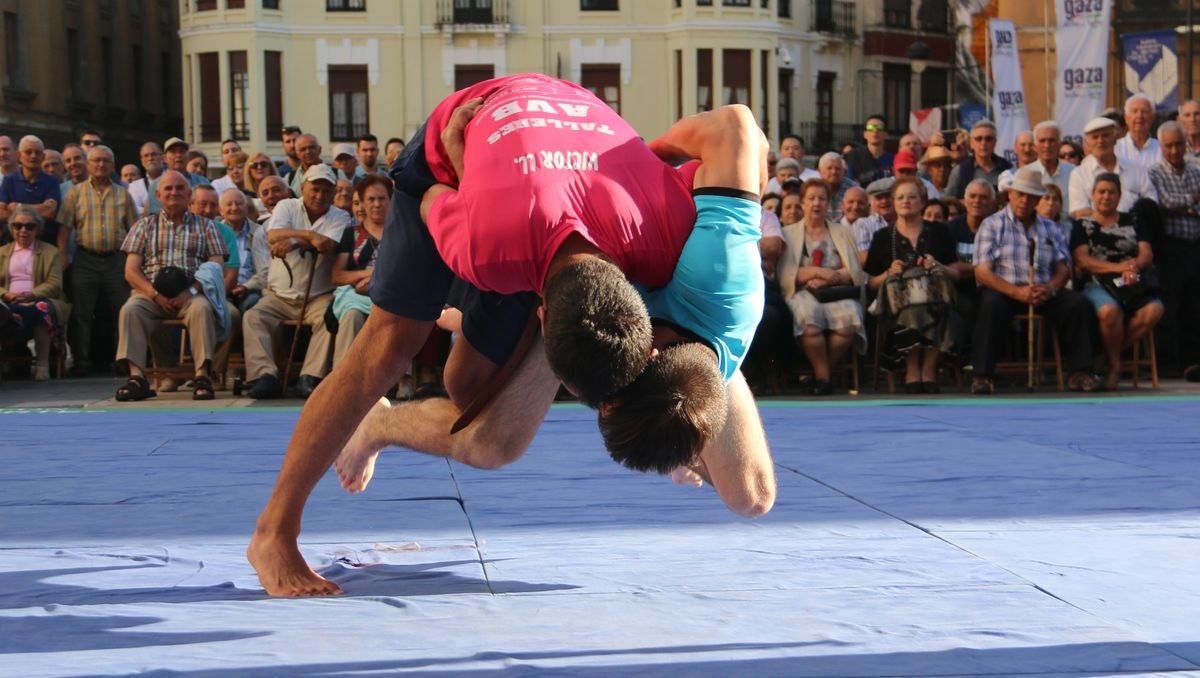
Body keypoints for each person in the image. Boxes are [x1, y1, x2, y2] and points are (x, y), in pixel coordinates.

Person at [248, 78, 774, 597]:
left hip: (579, 230)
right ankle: (275, 529)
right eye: (602, 401)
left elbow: (741, 131)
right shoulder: (494, 242)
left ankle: (381, 423)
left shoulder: (677, 243)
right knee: (398, 350)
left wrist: (634, 156)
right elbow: (434, 196)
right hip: (481, 163)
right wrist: (627, 154)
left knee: (752, 496)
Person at [970, 166, 1099, 395]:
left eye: (1031, 196)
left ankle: (1081, 372)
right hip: (1004, 289)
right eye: (1020, 194)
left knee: (1077, 304)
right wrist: (1015, 292)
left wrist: (1050, 288)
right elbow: (982, 272)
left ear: (1038, 199)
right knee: (990, 305)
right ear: (1010, 194)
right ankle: (983, 375)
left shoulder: (1050, 227)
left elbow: (1063, 268)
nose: (1025, 200)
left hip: (1041, 289)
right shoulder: (992, 224)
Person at [113, 171, 228, 401]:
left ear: (188, 194)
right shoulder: (143, 225)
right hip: (151, 293)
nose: (174, 192)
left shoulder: (207, 226)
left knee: (202, 309)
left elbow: (216, 265)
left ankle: (202, 375)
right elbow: (131, 270)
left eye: (179, 188)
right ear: (158, 195)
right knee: (130, 310)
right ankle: (137, 377)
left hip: (191, 291)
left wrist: (192, 290)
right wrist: (154, 295)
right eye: (168, 189)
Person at [242, 164, 349, 399]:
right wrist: (309, 236)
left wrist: (295, 241)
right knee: (253, 317)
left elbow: (329, 245)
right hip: (279, 295)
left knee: (328, 319)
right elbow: (273, 235)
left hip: (318, 296)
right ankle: (265, 375)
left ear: (333, 193)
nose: (319, 195)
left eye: (325, 190)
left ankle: (310, 376)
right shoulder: (286, 205)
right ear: (302, 188)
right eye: (315, 189)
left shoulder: (340, 216)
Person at [864, 177, 960, 393]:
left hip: (936, 300)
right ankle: (911, 369)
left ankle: (928, 369)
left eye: (911, 197)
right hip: (896, 304)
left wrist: (937, 266)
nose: (905, 201)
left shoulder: (940, 231)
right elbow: (870, 283)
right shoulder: (882, 236)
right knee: (911, 308)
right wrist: (890, 271)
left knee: (937, 305)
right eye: (900, 197)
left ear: (922, 201)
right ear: (893, 202)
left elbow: (956, 273)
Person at [1069, 173, 1163, 391]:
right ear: (1092, 195)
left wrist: (1133, 267)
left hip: (1132, 281)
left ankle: (1104, 357)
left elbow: (1146, 253)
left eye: (1112, 192)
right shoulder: (1082, 225)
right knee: (1110, 312)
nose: (1106, 196)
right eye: (1101, 192)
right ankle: (1115, 365)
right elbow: (1082, 260)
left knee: (1155, 310)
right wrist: (1118, 268)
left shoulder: (1133, 220)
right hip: (1098, 282)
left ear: (1119, 196)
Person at [777, 179, 866, 395]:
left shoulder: (843, 232)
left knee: (850, 317)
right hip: (802, 291)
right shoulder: (788, 233)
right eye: (811, 198)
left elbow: (853, 270)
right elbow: (787, 274)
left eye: (822, 199)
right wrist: (816, 272)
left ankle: (818, 373)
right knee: (809, 318)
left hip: (835, 291)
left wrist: (830, 278)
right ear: (803, 203)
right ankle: (825, 377)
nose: (817, 203)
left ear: (828, 203)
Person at [1147, 120, 1200, 380]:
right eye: (1169, 145)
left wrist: (1186, 207)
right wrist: (1192, 201)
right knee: (1169, 305)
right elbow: (1165, 203)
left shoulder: (1195, 171)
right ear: (1162, 148)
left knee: (1193, 306)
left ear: (1186, 144)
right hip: (1171, 247)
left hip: (1195, 246)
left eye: (1179, 144)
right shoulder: (1155, 172)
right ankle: (1166, 364)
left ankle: (1190, 363)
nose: (1175, 150)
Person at [0, 206, 70, 380]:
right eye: (18, 226)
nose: (23, 230)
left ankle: (42, 365)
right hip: (8, 301)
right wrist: (6, 294)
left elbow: (54, 284)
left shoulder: (50, 251)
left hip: (40, 299)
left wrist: (31, 294)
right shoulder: (2, 252)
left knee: (41, 308)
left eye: (29, 226)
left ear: (37, 229)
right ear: (11, 228)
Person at [1069, 117, 1158, 218]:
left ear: (1115, 139)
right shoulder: (1079, 174)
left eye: (1105, 136)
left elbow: (1152, 201)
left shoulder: (1136, 168)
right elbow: (1079, 211)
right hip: (1097, 231)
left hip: (1135, 228)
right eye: (1095, 137)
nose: (1100, 141)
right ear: (1087, 143)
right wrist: (1112, 220)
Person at [947, 120, 1012, 198]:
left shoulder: (1008, 168)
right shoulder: (959, 172)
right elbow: (950, 202)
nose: (983, 143)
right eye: (978, 139)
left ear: (995, 142)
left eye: (988, 139)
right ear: (971, 143)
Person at [146, 138, 211, 215]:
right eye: (173, 152)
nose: (178, 155)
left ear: (188, 156)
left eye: (182, 151)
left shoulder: (203, 182)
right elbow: (156, 216)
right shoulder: (156, 185)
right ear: (164, 158)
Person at [1026, 121, 1075, 206]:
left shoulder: (1073, 172)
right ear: (1035, 146)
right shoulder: (1025, 173)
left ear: (1059, 144)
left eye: (1052, 140)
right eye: (1042, 141)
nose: (1047, 145)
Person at [853, 177, 896, 265]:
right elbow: (864, 257)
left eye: (888, 196)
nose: (884, 201)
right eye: (879, 198)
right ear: (870, 202)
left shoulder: (906, 219)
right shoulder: (863, 224)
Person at [1116, 94, 1162, 171]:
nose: (1139, 116)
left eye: (1144, 111)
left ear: (1153, 117)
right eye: (1135, 111)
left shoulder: (1161, 148)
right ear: (1126, 118)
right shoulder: (1116, 148)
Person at [844, 114, 894, 185]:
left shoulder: (892, 159)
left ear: (886, 134)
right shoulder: (853, 156)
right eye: (870, 127)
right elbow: (849, 182)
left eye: (879, 128)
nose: (875, 131)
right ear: (865, 134)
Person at [128, 142, 164, 216]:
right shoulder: (135, 186)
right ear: (142, 161)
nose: (150, 158)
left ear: (162, 157)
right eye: (146, 156)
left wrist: (146, 206)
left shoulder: (174, 179)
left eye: (153, 154)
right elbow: (134, 210)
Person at [818, 152, 856, 222]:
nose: (834, 172)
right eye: (829, 168)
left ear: (843, 171)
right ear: (820, 171)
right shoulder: (813, 189)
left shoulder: (853, 188)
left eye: (837, 168)